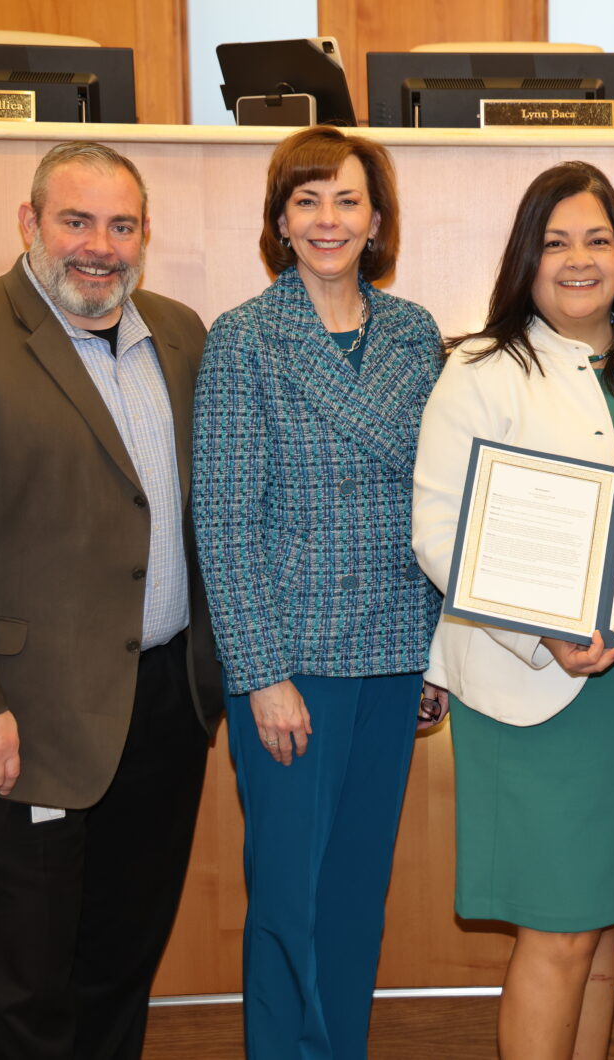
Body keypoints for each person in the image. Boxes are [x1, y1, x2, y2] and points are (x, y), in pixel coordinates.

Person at [0, 141, 222, 1058]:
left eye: (121, 225)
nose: (99, 246)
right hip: (10, 729)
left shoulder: (180, 335)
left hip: (160, 717)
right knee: (17, 998)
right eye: (76, 221)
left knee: (117, 975)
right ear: (29, 224)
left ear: (145, 236)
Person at [412, 160, 614, 1059]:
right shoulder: (481, 369)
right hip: (531, 688)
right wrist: (544, 634)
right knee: (558, 929)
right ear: (526, 259)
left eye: (597, 240)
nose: (579, 260)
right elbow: (439, 531)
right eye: (556, 242)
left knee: (601, 923)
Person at [192, 125, 444, 1057]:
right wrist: (261, 675)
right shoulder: (244, 339)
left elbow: (438, 500)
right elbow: (225, 521)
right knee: (287, 903)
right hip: (292, 667)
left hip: (395, 656)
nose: (328, 220)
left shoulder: (415, 332)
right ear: (280, 221)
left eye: (347, 200)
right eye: (307, 201)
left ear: (377, 220)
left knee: (354, 895)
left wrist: (438, 652)